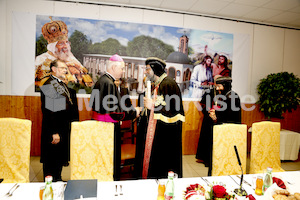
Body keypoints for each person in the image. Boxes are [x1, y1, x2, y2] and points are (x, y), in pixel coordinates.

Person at [91, 54, 141, 181]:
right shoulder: (109, 83)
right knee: (110, 159)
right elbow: (115, 113)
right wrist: (135, 112)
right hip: (108, 128)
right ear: (114, 67)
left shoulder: (102, 80)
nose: (123, 71)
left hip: (102, 126)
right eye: (122, 69)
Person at [134, 57, 185, 179]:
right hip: (155, 133)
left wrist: (152, 105)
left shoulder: (169, 84)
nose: (145, 72)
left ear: (155, 69)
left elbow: (174, 111)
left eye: (147, 69)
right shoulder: (157, 84)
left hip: (164, 136)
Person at [40, 59, 79, 181]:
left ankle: (58, 179)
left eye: (65, 68)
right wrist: (54, 132)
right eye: (62, 68)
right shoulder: (48, 84)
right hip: (54, 129)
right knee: (51, 160)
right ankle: (50, 186)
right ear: (54, 69)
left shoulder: (60, 83)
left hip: (62, 127)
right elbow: (51, 111)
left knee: (59, 158)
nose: (65, 70)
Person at [195, 75, 241, 176]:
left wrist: (216, 117)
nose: (217, 88)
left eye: (219, 86)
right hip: (222, 130)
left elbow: (229, 118)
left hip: (227, 133)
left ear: (226, 85)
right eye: (217, 86)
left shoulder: (231, 97)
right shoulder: (226, 95)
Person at [35, 16, 93, 89]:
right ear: (53, 47)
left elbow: (88, 81)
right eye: (61, 43)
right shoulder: (41, 59)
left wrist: (78, 74)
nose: (65, 46)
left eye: (66, 42)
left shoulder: (72, 58)